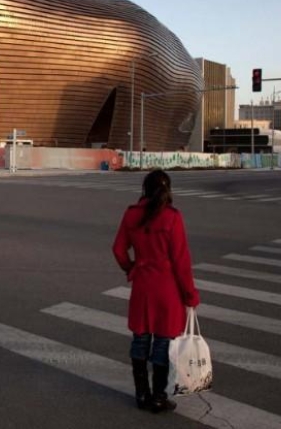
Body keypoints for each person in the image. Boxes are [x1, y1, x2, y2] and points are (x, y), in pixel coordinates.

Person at [111, 169, 200, 413]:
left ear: (145, 189)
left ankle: (142, 394)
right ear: (167, 190)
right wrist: (190, 294)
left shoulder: (131, 214)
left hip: (142, 286)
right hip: (167, 289)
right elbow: (181, 261)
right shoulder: (172, 217)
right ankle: (159, 396)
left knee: (140, 338)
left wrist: (131, 269)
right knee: (162, 342)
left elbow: (118, 249)